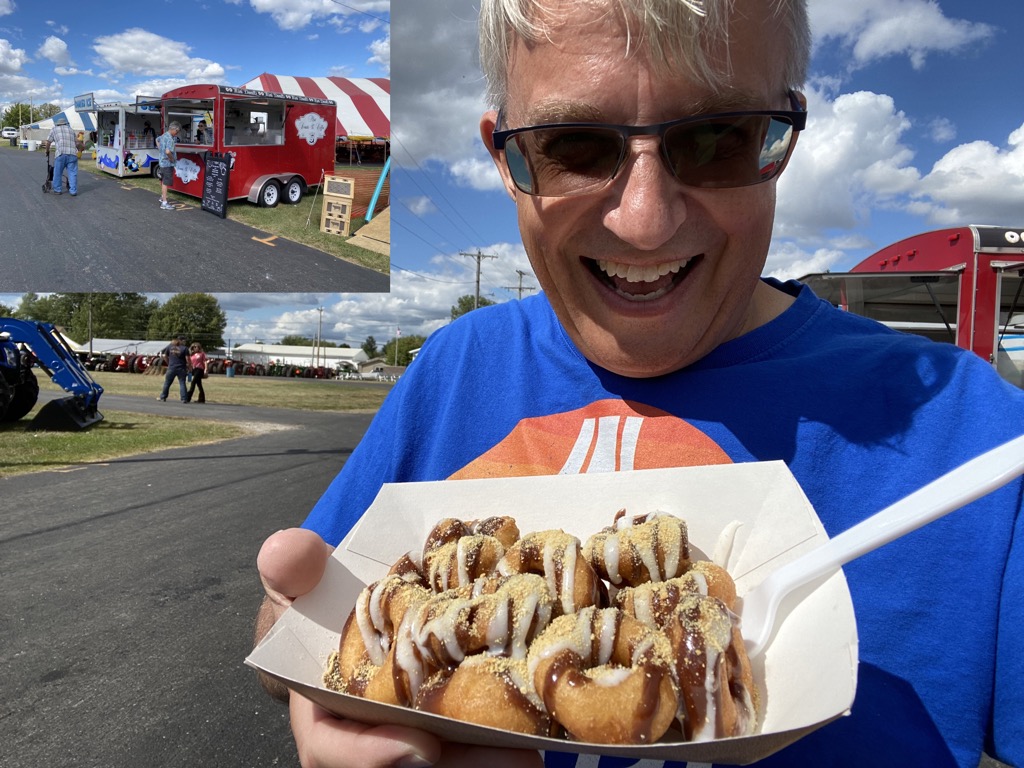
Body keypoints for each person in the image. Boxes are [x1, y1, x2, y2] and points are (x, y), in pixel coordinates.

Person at [253, 1, 1024, 767]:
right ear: (504, 157)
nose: (644, 222)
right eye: (573, 145)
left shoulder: (979, 436)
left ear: (783, 137)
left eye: (719, 137)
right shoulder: (454, 367)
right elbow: (296, 624)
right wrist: (316, 679)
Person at [42, 115, 80, 196]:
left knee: (57, 172)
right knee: (72, 173)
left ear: (58, 124)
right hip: (72, 154)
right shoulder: (71, 130)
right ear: (65, 124)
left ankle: (57, 189)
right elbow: (77, 143)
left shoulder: (54, 129)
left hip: (61, 154)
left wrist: (47, 151)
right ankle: (73, 191)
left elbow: (48, 142)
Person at [158, 335, 190, 403]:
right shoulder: (185, 348)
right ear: (181, 341)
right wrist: (190, 366)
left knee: (167, 383)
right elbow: (188, 359)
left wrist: (168, 363)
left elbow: (165, 356)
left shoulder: (170, 347)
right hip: (181, 368)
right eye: (184, 340)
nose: (185, 342)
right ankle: (184, 398)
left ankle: (163, 397)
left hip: (171, 367)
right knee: (182, 383)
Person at [157, 120, 181, 211]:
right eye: (177, 131)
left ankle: (162, 197)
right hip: (167, 163)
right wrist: (171, 159)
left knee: (163, 181)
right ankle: (164, 203)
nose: (177, 133)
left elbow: (157, 140)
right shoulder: (170, 139)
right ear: (174, 129)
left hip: (162, 162)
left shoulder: (163, 136)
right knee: (166, 182)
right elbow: (168, 152)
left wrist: (160, 151)